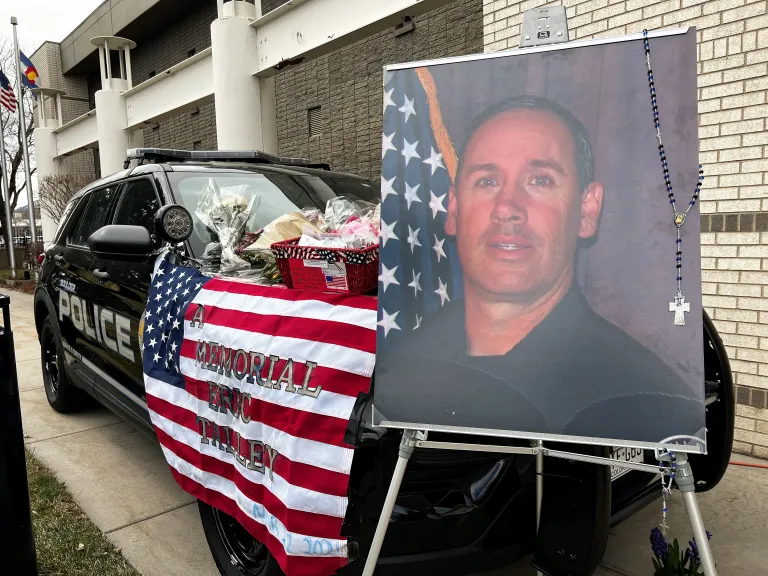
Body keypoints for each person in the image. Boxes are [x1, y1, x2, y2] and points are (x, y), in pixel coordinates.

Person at [375, 95, 704, 444]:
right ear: (454, 208)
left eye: (540, 180)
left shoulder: (644, 403)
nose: (507, 208)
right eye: (487, 181)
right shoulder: (402, 365)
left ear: (587, 209)